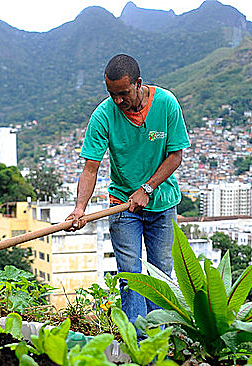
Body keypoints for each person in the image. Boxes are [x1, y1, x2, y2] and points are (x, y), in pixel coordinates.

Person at [66, 54, 190, 328]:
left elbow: (175, 156)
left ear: (138, 84)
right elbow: (90, 168)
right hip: (123, 205)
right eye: (112, 94)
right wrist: (79, 208)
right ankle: (137, 339)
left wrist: (148, 188)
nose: (118, 101)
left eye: (123, 94)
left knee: (160, 276)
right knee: (131, 275)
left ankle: (159, 336)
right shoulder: (103, 115)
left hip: (163, 203)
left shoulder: (166, 104)